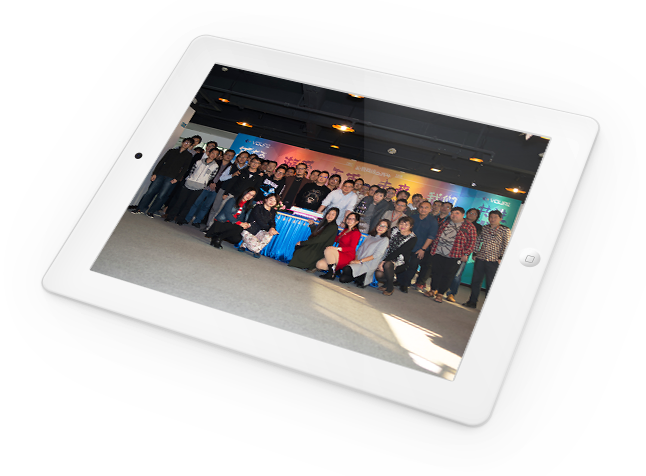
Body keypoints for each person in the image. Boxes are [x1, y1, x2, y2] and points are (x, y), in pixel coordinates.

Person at [423, 207, 478, 303]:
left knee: (448, 275)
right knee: (436, 272)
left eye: (457, 213)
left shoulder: (469, 226)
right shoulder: (446, 222)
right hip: (439, 252)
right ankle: (432, 290)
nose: (454, 215)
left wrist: (466, 254)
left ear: (463, 215)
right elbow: (438, 235)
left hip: (455, 254)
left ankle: (440, 294)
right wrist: (433, 249)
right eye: (452, 213)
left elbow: (472, 242)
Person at [130, 137, 194, 217]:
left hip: (171, 177)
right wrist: (154, 173)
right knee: (150, 192)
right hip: (160, 174)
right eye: (186, 142)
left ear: (190, 146)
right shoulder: (171, 151)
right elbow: (161, 162)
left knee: (161, 196)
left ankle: (151, 211)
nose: (186, 144)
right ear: (182, 142)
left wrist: (177, 179)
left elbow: (185, 168)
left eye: (189, 143)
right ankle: (140, 208)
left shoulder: (188, 155)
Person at [462, 210, 511, 308]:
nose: (492, 219)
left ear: (500, 219)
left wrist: (501, 257)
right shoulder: (485, 228)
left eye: (495, 217)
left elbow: (506, 245)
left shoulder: (505, 230)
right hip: (481, 258)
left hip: (494, 260)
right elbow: (478, 240)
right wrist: (475, 253)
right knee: (475, 281)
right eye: (491, 217)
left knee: (490, 284)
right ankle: (472, 302)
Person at [164, 147, 220, 225]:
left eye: (216, 154)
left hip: (199, 186)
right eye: (212, 153)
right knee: (180, 201)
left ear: (217, 156)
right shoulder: (199, 161)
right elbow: (192, 171)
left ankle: (180, 219)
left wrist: (204, 182)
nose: (213, 155)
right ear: (209, 153)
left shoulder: (215, 166)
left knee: (189, 204)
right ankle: (170, 216)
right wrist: (190, 178)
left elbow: (211, 177)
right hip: (189, 183)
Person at [395, 201, 439, 293]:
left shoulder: (433, 222)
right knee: (402, 262)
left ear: (430, 209)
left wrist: (423, 249)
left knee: (412, 266)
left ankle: (405, 284)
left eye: (426, 208)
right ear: (418, 208)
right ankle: (399, 280)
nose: (423, 209)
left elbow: (431, 237)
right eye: (421, 207)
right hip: (408, 245)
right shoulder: (413, 218)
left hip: (420, 248)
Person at [185, 148, 234, 227]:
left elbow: (227, 180)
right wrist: (211, 182)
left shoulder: (231, 167)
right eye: (227, 154)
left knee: (206, 206)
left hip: (216, 189)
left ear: (233, 157)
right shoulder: (215, 162)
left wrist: (216, 185)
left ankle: (197, 221)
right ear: (224, 155)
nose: (228, 156)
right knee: (196, 202)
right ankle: (187, 218)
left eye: (231, 156)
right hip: (206, 185)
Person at [441, 208, 482, 302]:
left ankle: (451, 293)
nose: (471, 215)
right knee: (444, 271)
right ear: (466, 214)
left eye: (474, 214)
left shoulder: (477, 227)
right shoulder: (456, 221)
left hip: (462, 253)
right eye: (470, 212)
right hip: (449, 250)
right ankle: (439, 290)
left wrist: (468, 254)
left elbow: (473, 242)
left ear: (477, 217)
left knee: (457, 274)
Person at [202, 150, 249, 229]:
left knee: (227, 211)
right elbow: (221, 178)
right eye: (240, 157)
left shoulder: (247, 169)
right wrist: (232, 175)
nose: (242, 158)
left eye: (244, 157)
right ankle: (209, 226)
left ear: (247, 159)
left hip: (235, 193)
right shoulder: (232, 166)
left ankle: (216, 228)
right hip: (223, 189)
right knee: (215, 208)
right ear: (237, 158)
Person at [339, 219, 391, 288]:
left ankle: (362, 276)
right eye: (380, 225)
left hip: (368, 264)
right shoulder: (370, 236)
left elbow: (376, 255)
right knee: (342, 278)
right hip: (359, 261)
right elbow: (359, 250)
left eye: (384, 226)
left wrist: (360, 261)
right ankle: (357, 276)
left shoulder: (385, 240)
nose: (381, 227)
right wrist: (356, 260)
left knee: (346, 270)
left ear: (387, 229)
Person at [374, 216, 418, 296]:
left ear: (411, 226)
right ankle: (387, 283)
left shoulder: (412, 238)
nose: (403, 226)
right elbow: (385, 236)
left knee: (387, 264)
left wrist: (383, 261)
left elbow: (398, 251)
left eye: (406, 224)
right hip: (386, 255)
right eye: (401, 223)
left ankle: (390, 287)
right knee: (379, 274)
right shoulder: (394, 230)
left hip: (399, 260)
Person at [316, 212, 362, 280]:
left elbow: (352, 248)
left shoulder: (356, 233)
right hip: (338, 254)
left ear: (357, 222)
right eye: (348, 218)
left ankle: (331, 274)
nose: (349, 220)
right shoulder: (345, 230)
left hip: (347, 255)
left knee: (329, 250)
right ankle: (335, 270)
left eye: (352, 219)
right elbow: (336, 239)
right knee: (319, 265)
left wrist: (338, 248)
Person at [239, 193, 280, 258]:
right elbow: (259, 221)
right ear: (266, 199)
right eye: (270, 199)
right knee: (254, 248)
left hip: (260, 231)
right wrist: (270, 229)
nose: (272, 202)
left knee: (270, 234)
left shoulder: (273, 211)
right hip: (250, 229)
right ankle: (254, 248)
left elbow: (272, 221)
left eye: (274, 201)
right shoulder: (258, 207)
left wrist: (272, 228)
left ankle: (245, 244)